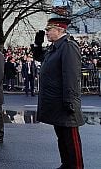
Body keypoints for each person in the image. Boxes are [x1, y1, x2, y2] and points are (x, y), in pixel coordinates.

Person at [35, 18, 84, 169]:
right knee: (61, 137)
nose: (47, 32)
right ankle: (66, 164)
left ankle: (76, 166)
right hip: (56, 101)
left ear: (59, 30)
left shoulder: (68, 46)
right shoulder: (56, 47)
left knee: (71, 139)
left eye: (49, 29)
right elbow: (41, 58)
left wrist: (70, 100)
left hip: (65, 101)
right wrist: (38, 45)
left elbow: (71, 75)